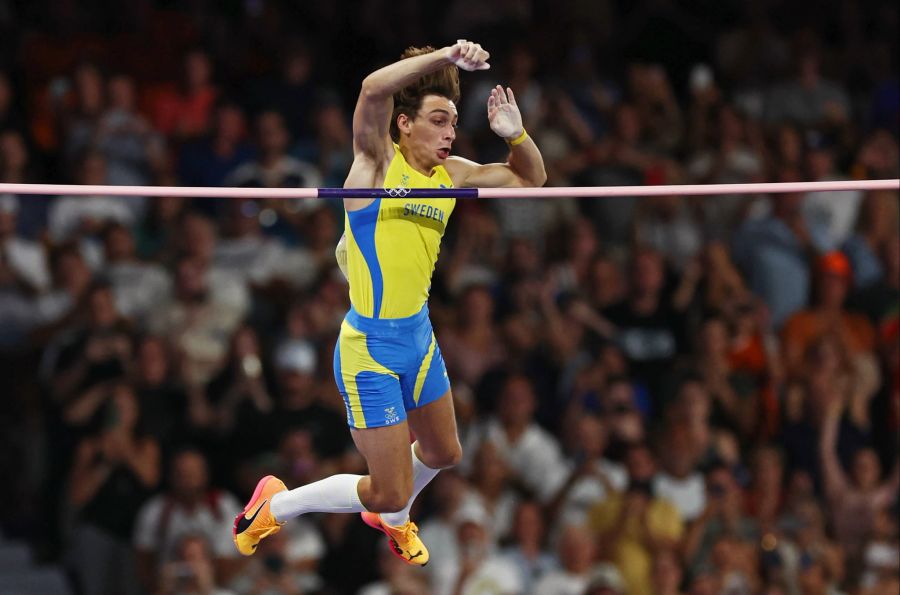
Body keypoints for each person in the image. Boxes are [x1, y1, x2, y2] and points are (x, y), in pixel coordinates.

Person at [233, 39, 546, 568]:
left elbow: (532, 177)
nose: (450, 132)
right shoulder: (375, 164)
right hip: (370, 348)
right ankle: (277, 503)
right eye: (439, 120)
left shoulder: (454, 176)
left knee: (446, 453)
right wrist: (447, 57)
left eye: (453, 123)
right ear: (404, 124)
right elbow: (372, 88)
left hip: (418, 337)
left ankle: (393, 518)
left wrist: (515, 133)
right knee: (387, 490)